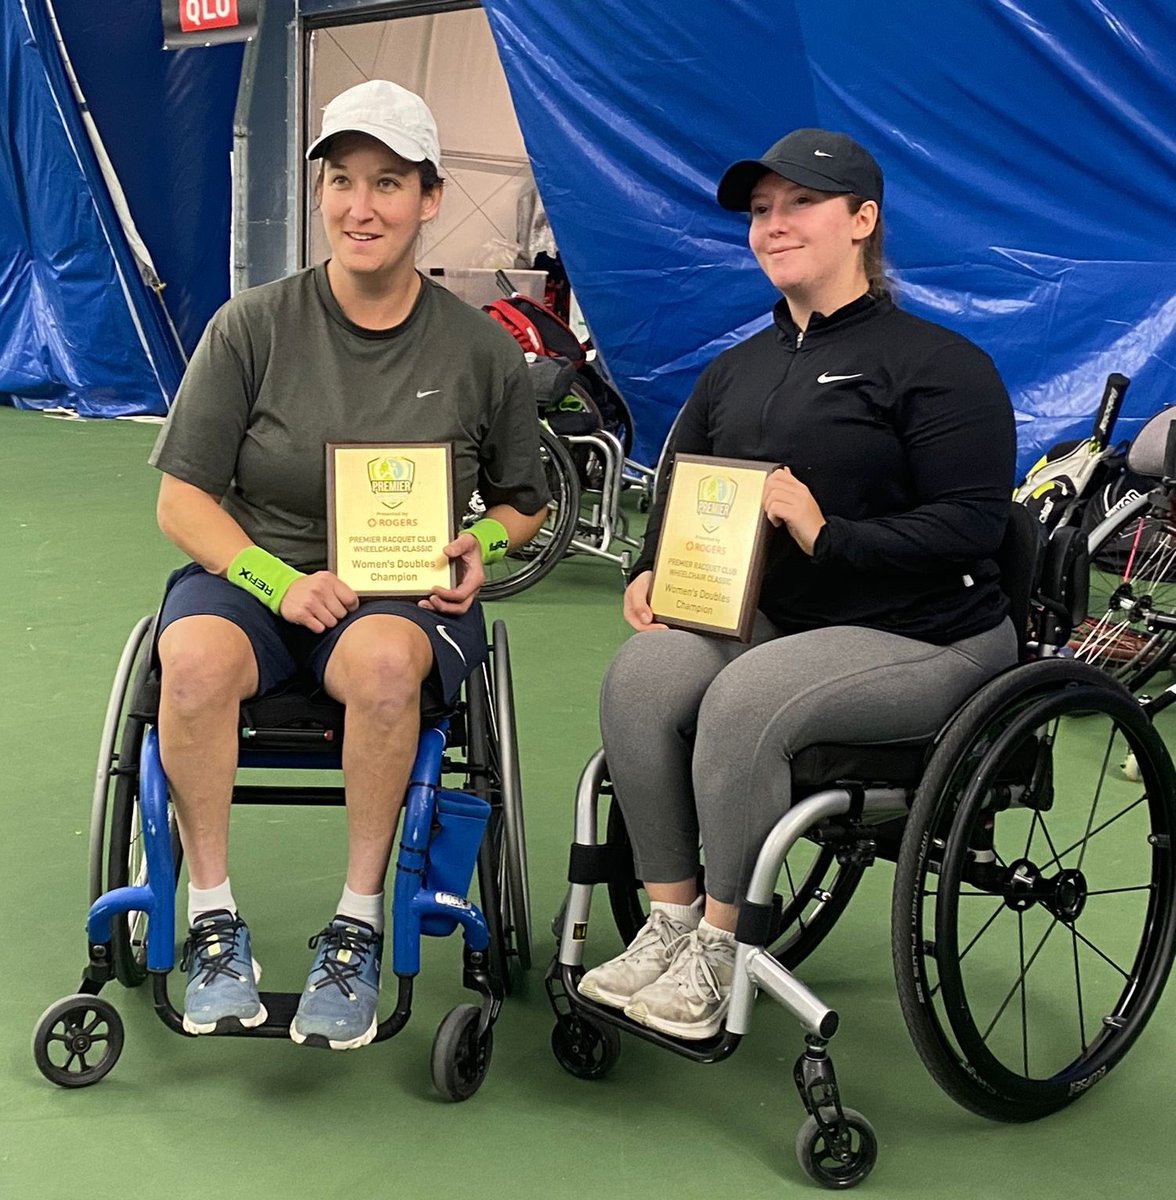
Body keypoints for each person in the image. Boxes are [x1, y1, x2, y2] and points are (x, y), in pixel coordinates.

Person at [578, 129, 1018, 1039]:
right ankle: (671, 920)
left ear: (862, 220)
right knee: (643, 674)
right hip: (781, 625)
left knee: (744, 697)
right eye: (760, 211)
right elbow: (680, 492)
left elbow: (971, 528)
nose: (774, 225)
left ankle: (724, 945)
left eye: (799, 204)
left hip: (929, 635)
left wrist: (828, 536)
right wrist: (652, 567)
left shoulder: (940, 366)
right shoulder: (736, 368)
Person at [148, 80, 549, 1049]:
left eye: (387, 183)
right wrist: (277, 583)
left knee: (378, 666)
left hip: (398, 597)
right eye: (340, 182)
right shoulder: (250, 327)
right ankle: (211, 920)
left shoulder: (478, 349)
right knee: (193, 660)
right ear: (320, 192)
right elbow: (182, 501)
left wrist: (478, 548)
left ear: (430, 197)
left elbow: (523, 505)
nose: (359, 206)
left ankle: (358, 928)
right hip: (262, 578)